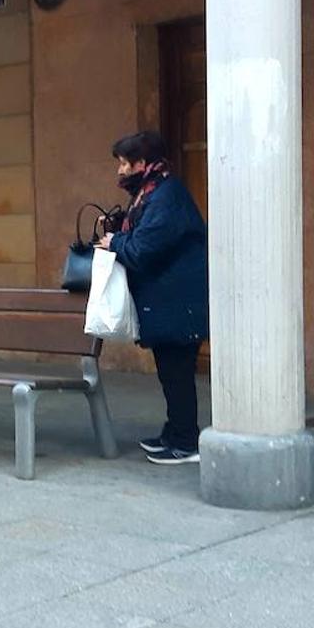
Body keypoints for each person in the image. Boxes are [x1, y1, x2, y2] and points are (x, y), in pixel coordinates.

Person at [97, 131, 208, 465]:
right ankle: (175, 433)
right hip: (167, 302)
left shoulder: (165, 196)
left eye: (124, 163)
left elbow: (145, 248)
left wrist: (114, 242)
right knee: (170, 372)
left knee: (177, 373)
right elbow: (143, 234)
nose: (120, 171)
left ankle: (186, 442)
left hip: (179, 302)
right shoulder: (151, 193)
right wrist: (119, 228)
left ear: (142, 164)